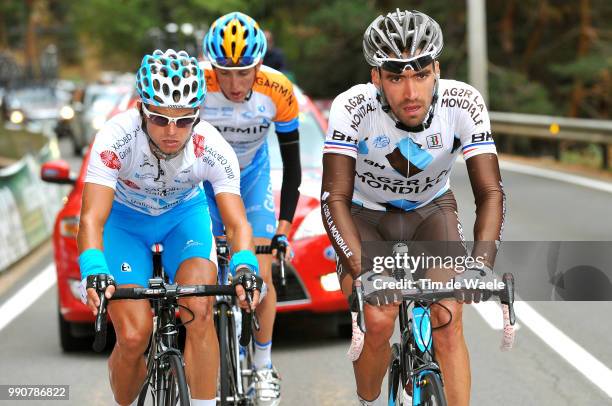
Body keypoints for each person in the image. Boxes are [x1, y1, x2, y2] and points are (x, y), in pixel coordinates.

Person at [320, 9, 505, 406]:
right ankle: (369, 397)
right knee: (380, 318)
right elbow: (333, 198)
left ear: (436, 69)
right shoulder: (351, 108)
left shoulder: (464, 102)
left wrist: (481, 263)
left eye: (420, 74)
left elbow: (489, 192)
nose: (410, 93)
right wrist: (363, 271)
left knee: (448, 320)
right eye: (396, 77)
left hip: (430, 212)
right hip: (363, 216)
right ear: (376, 77)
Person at [78, 49, 262, 406]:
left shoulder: (210, 146)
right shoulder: (116, 137)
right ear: (141, 110)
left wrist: (246, 266)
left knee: (200, 308)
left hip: (183, 219)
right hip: (125, 225)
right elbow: (91, 218)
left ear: (197, 116)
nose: (172, 131)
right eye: (160, 119)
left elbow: (238, 222)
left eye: (183, 120)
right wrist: (94, 270)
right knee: (133, 336)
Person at [201, 11, 302, 406]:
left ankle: (262, 366)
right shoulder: (198, 87)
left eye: (244, 72)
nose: (234, 83)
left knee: (260, 272)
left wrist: (284, 226)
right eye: (224, 73)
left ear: (259, 65)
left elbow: (291, 166)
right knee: (199, 275)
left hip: (252, 178)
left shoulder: (277, 90)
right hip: (206, 181)